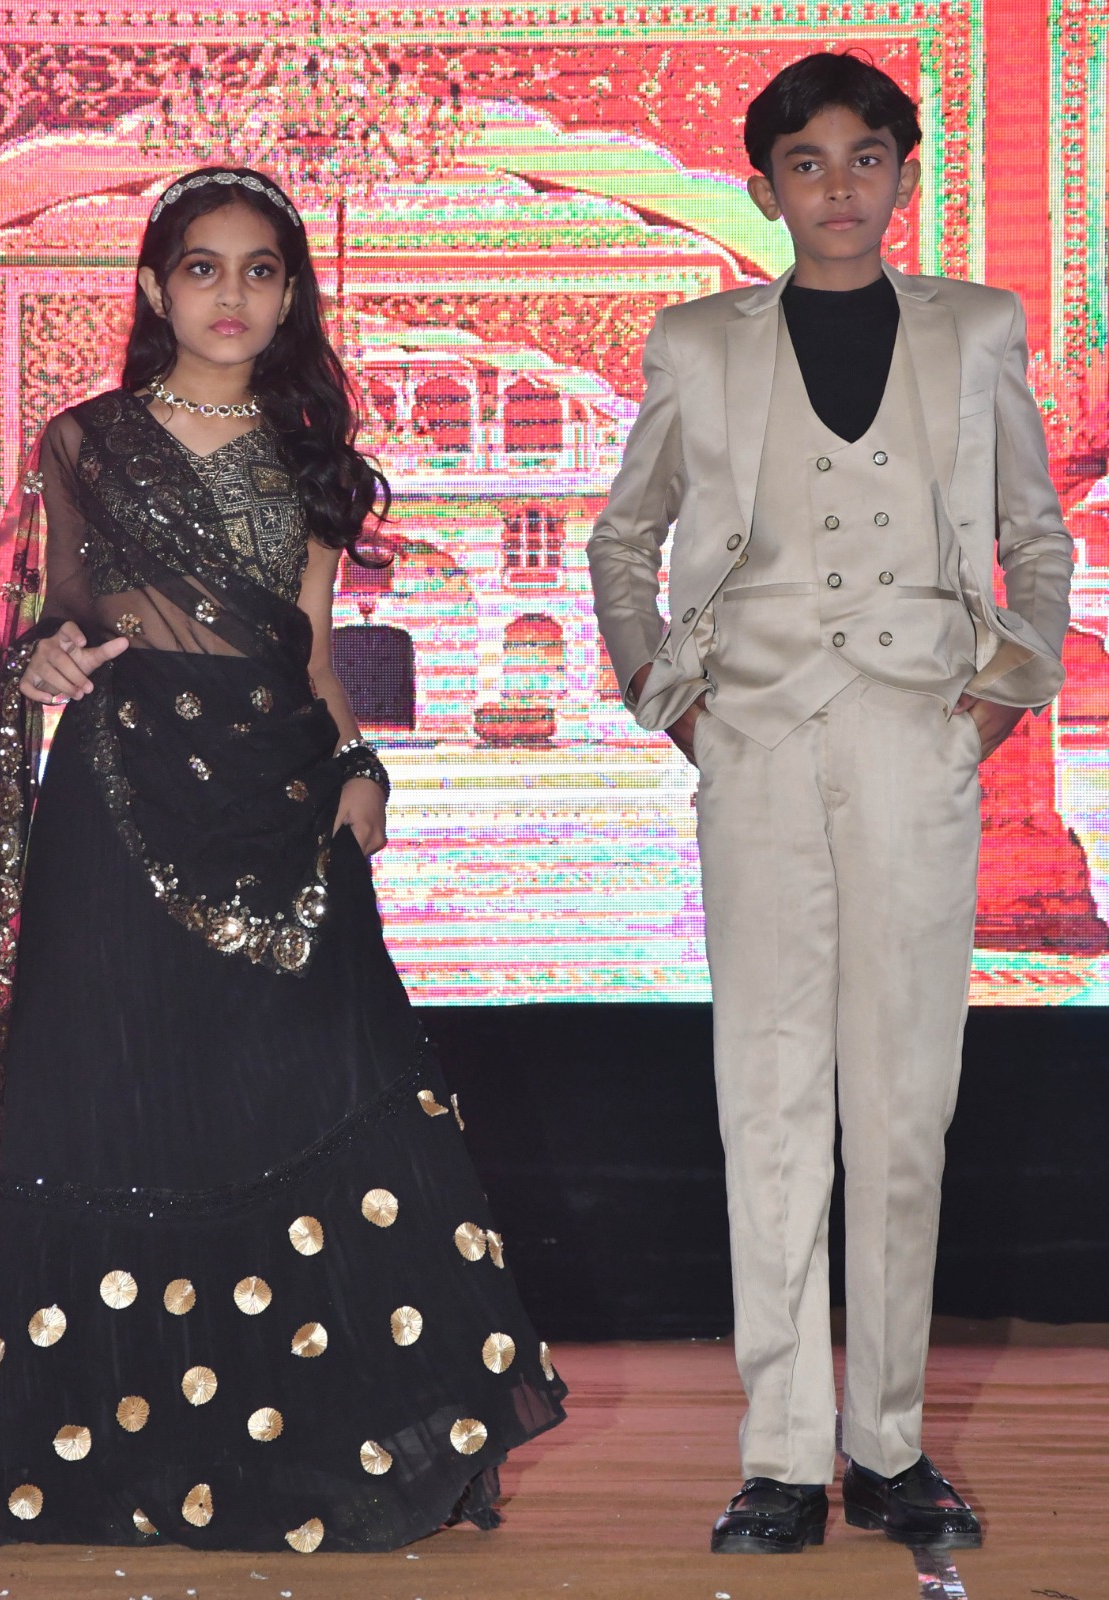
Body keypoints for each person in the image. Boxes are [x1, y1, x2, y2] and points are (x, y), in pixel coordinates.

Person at [0, 166, 565, 1553]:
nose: (232, 294)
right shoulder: (84, 442)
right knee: (120, 1102)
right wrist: (43, 661)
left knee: (320, 1092)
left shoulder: (309, 458)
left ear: (292, 297)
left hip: (282, 806)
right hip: (122, 802)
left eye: (262, 270)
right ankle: (118, 1464)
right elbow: (59, 621)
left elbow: (314, 650)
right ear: (155, 288)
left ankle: (337, 1450)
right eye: (204, 267)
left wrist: (360, 768)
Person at [588, 53, 1072, 1555]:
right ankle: (784, 1458)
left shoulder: (976, 327)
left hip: (918, 737)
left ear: (906, 177)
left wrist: (1002, 696)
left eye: (869, 158)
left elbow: (1037, 533)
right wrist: (669, 694)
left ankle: (891, 1445)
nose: (841, 186)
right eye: (809, 162)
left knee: (906, 1102)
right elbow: (623, 537)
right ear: (766, 187)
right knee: (771, 1092)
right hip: (756, 740)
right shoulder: (699, 340)